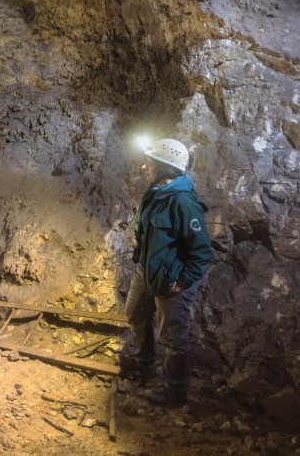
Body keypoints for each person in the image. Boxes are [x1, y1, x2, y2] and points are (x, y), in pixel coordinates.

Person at [122, 138, 212, 405]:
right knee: (135, 314)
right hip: (147, 271)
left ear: (165, 168)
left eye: (149, 163)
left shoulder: (183, 202)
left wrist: (182, 281)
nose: (143, 166)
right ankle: (143, 365)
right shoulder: (156, 191)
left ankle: (175, 391)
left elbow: (201, 251)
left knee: (173, 336)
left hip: (171, 279)